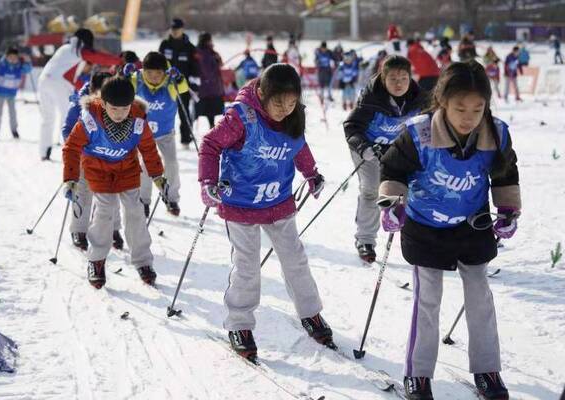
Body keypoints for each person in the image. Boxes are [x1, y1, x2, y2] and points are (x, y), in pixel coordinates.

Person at [378, 60, 520, 400]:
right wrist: (392, 205)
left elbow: (505, 174)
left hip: (471, 226)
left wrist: (508, 211)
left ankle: (487, 369)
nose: (469, 116)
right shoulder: (418, 133)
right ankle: (419, 373)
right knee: (428, 301)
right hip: (426, 226)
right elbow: (393, 169)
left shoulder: (495, 133)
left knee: (480, 297)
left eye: (477, 108)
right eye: (459, 108)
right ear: (442, 101)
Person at [198, 64, 333, 362]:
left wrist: (311, 174)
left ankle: (311, 314)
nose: (285, 109)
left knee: (295, 260)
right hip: (242, 203)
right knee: (247, 267)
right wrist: (208, 181)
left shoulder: (292, 116)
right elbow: (210, 144)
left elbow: (298, 146)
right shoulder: (241, 117)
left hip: (278, 201)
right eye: (278, 102)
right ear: (261, 94)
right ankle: (240, 325)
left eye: (291, 102)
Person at [62, 75, 166, 288]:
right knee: (105, 212)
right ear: (103, 103)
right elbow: (71, 147)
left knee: (135, 212)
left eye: (124, 109)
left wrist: (157, 175)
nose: (120, 114)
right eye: (114, 109)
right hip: (98, 169)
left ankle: (144, 262)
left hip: (126, 169)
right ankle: (97, 260)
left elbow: (148, 149)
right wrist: (71, 178)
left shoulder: (138, 121)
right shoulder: (89, 121)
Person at [343, 55, 425, 263]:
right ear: (382, 78)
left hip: (396, 149)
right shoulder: (371, 99)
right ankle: (366, 240)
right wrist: (363, 148)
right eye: (393, 79)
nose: (399, 84)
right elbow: (351, 127)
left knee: (406, 190)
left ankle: (414, 236)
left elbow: (430, 121)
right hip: (369, 148)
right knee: (371, 189)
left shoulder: (419, 97)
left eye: (403, 78)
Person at [61, 71, 126, 252]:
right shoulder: (80, 106)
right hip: (86, 157)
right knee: (83, 192)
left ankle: (113, 230)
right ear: (93, 89)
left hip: (109, 157)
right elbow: (67, 130)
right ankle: (79, 230)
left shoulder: (116, 105)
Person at [38, 28, 120, 161]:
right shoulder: (78, 49)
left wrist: (85, 89)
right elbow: (99, 57)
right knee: (67, 117)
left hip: (43, 81)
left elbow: (69, 77)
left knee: (48, 118)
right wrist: (118, 61)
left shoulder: (64, 49)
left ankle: (44, 151)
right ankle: (70, 151)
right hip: (58, 84)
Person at [135, 51, 187, 217]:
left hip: (166, 134)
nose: (154, 77)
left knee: (171, 164)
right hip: (144, 136)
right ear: (144, 72)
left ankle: (171, 198)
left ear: (164, 72)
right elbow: (120, 83)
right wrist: (122, 73)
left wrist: (178, 78)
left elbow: (184, 87)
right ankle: (143, 200)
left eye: (158, 73)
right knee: (144, 167)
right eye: (149, 72)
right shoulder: (138, 82)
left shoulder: (170, 84)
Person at [159, 18, 200, 149]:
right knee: (164, 112)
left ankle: (185, 140)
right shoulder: (165, 44)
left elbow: (195, 68)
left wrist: (194, 86)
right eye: (172, 29)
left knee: (184, 112)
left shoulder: (190, 47)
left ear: (182, 29)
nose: (174, 32)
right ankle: (162, 138)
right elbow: (158, 63)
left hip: (183, 85)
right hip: (165, 85)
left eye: (177, 29)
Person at [0, 46, 32, 140]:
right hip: (0, 93)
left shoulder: (19, 66)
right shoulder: (1, 65)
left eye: (14, 57)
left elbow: (28, 69)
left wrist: (28, 61)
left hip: (11, 94)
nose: (12, 59)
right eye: (10, 57)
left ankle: (14, 131)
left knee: (13, 113)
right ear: (6, 57)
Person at [194, 32, 225, 130]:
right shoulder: (203, 53)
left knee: (209, 109)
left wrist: (218, 61)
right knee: (208, 108)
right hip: (208, 86)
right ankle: (208, 126)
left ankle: (211, 125)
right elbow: (208, 70)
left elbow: (219, 63)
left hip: (209, 87)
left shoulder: (209, 52)